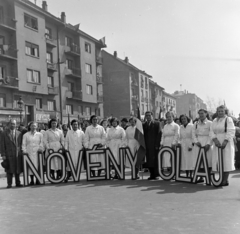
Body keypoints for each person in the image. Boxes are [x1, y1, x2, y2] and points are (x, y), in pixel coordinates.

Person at [210, 105, 235, 186]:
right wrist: (214, 139)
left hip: (226, 142)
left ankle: (225, 180)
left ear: (225, 112)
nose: (220, 112)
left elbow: (231, 131)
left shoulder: (228, 119)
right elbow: (211, 131)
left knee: (226, 160)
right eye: (219, 111)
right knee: (218, 160)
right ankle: (221, 178)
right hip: (217, 141)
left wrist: (226, 141)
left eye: (222, 111)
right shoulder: (214, 120)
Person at [192, 109, 213, 183]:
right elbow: (193, 134)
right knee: (198, 160)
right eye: (200, 113)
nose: (201, 115)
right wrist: (196, 141)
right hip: (198, 143)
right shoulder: (196, 123)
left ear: (206, 114)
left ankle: (208, 177)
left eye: (202, 113)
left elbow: (211, 134)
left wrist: (208, 144)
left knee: (208, 160)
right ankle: (200, 177)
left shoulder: (210, 123)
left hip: (207, 142)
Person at [1, 119, 23, 188]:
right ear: (9, 124)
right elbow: (2, 145)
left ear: (16, 125)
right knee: (9, 169)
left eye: (14, 124)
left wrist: (21, 152)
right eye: (11, 123)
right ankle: (9, 183)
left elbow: (21, 144)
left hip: (17, 154)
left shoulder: (19, 133)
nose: (13, 125)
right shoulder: (4, 133)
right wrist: (3, 154)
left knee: (17, 169)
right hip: (8, 154)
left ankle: (18, 182)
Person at [143, 111, 161, 180]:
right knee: (149, 160)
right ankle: (151, 174)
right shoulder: (144, 125)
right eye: (146, 115)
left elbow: (159, 134)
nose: (148, 117)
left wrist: (157, 144)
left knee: (155, 160)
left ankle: (156, 174)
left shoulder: (157, 123)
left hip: (154, 145)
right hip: (147, 145)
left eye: (149, 115)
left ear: (152, 116)